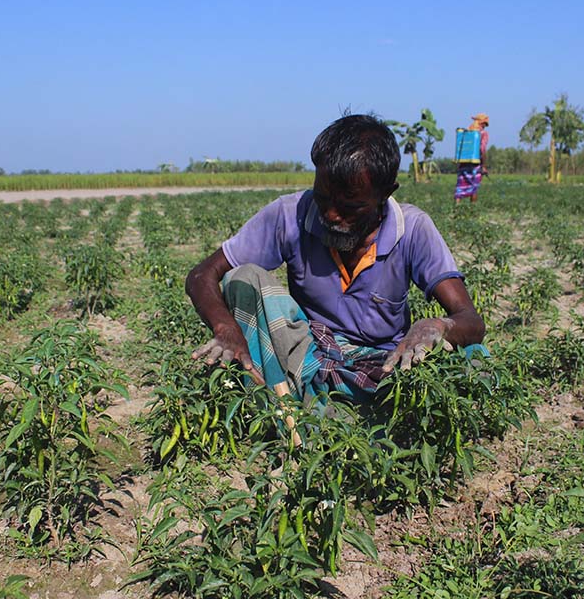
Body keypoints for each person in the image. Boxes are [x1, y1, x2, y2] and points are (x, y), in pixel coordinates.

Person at [186, 114, 486, 406]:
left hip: (385, 367)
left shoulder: (413, 229)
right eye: (323, 199)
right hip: (307, 359)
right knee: (243, 278)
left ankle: (326, 416)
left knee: (474, 358)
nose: (331, 216)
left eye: (349, 206)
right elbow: (202, 275)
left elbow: (470, 321)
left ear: (385, 193)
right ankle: (280, 406)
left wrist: (437, 325)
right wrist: (226, 329)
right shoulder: (291, 214)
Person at [455, 113, 489, 204]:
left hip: (463, 164)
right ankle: (472, 209)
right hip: (475, 164)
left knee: (460, 187)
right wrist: (484, 166)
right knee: (474, 188)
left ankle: (456, 208)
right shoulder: (482, 134)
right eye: (485, 124)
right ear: (482, 123)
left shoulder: (466, 133)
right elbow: (482, 149)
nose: (485, 126)